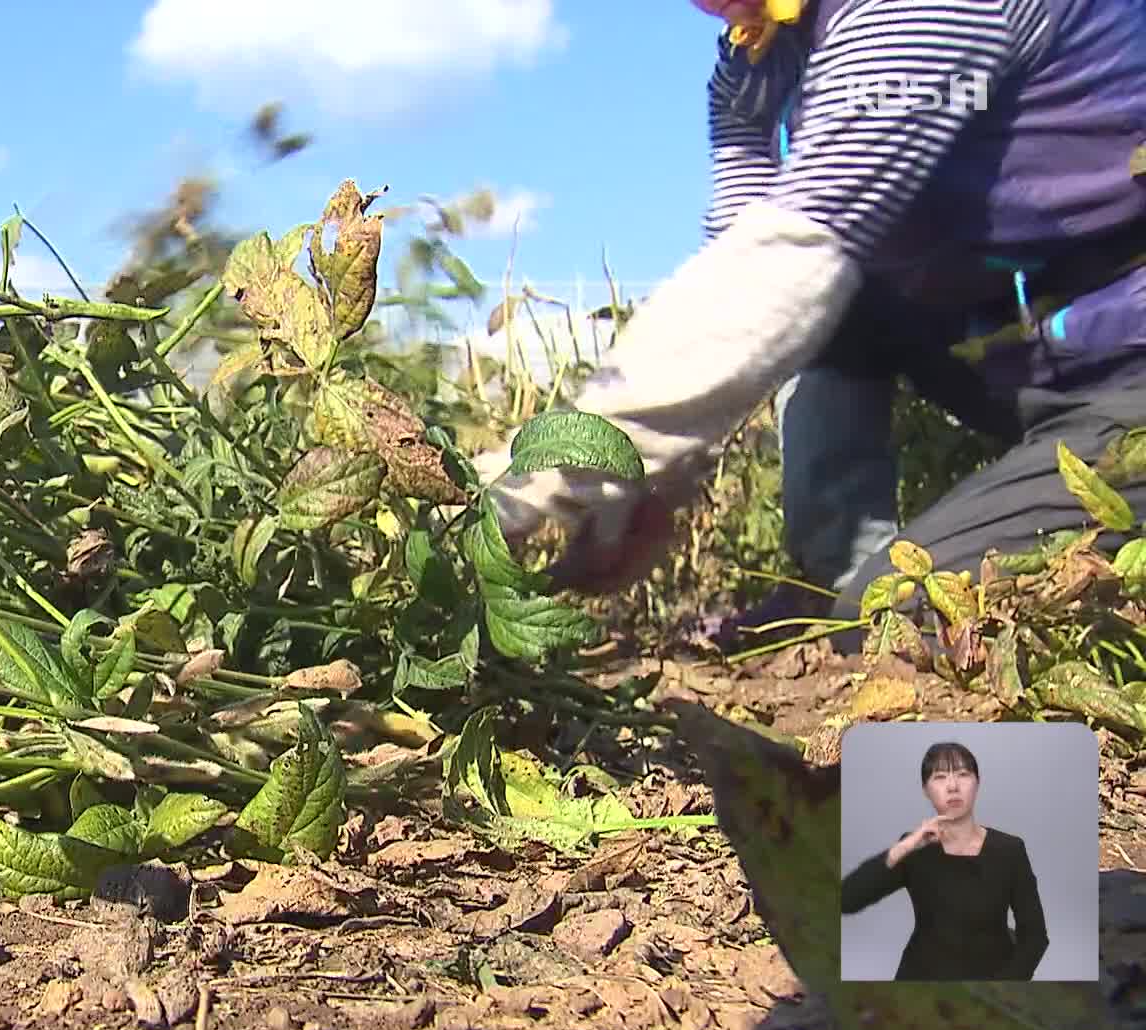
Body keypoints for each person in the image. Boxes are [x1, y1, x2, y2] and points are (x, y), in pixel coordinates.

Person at [475, 0, 1146, 645]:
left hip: (1123, 359)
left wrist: (527, 484)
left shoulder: (919, 8)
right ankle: (839, 577)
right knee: (836, 304)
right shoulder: (756, 63)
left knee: (900, 615)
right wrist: (647, 484)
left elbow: (787, 264)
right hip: (1021, 342)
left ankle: (884, 597)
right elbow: (739, 278)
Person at [840, 741, 1048, 980]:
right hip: (922, 986)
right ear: (925, 789)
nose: (952, 786)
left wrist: (1007, 988)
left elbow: (1035, 936)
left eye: (963, 774)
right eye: (939, 777)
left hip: (994, 987)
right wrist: (905, 847)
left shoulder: (1009, 849)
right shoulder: (915, 849)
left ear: (977, 783)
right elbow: (848, 898)